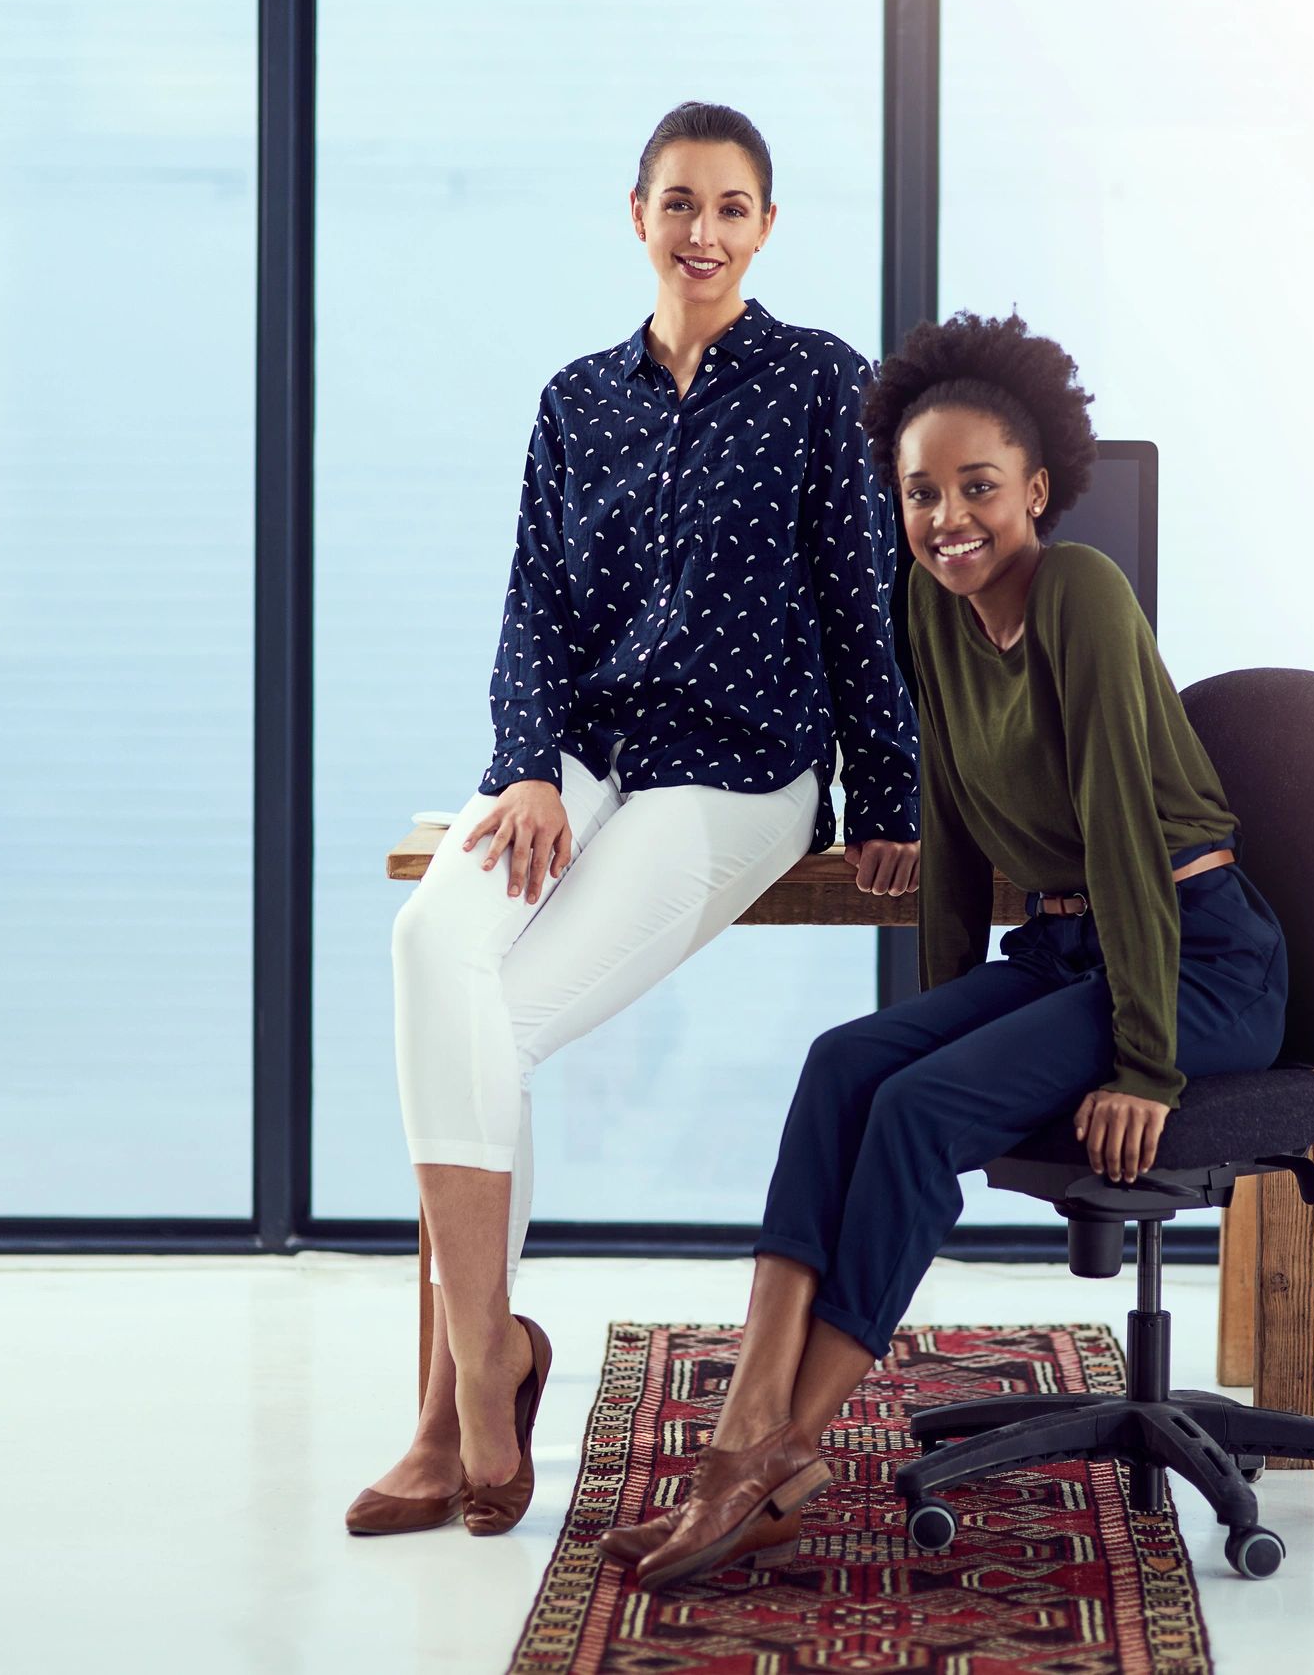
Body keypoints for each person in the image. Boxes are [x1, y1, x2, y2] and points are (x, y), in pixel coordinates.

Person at [601, 311, 1290, 1591]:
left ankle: (780, 1463)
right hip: (1068, 952)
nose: (948, 516)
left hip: (1196, 960)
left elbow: (1126, 836)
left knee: (916, 1113)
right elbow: (955, 822)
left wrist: (1145, 1064)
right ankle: (741, 1427)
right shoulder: (926, 603)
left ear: (1036, 488)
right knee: (843, 1066)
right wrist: (955, 1009)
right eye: (922, 493)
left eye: (978, 487)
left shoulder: (1082, 593)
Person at [345, 103, 921, 1539]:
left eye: (732, 207)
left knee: (501, 1021)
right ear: (637, 215)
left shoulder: (820, 387)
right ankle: (486, 1374)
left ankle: (459, 1406)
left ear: (768, 226)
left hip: (739, 774)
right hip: (586, 753)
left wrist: (888, 801)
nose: (704, 231)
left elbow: (866, 609)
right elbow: (533, 603)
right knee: (434, 948)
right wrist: (526, 765)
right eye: (680, 203)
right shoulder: (575, 399)